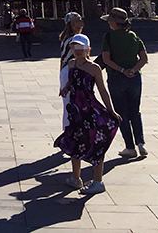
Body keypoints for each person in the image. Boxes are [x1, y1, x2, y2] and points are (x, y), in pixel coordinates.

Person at [55, 34, 121, 194]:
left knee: (96, 144)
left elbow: (102, 90)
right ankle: (75, 178)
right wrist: (66, 88)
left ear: (88, 50)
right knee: (74, 142)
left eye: (81, 48)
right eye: (74, 47)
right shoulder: (71, 64)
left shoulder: (94, 68)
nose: (77, 51)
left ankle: (98, 181)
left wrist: (111, 110)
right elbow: (72, 81)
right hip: (75, 111)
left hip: (90, 110)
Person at [101, 7, 149, 159]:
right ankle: (141, 143)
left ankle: (130, 147)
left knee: (121, 113)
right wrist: (133, 70)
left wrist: (122, 70)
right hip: (135, 78)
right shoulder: (134, 36)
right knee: (135, 111)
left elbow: (106, 59)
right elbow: (144, 59)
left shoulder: (109, 37)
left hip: (117, 78)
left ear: (114, 23)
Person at [59, 12, 84, 128]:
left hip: (65, 70)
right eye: (75, 22)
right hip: (73, 70)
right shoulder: (75, 39)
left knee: (68, 102)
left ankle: (67, 126)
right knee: (74, 101)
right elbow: (82, 57)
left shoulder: (65, 38)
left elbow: (62, 58)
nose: (79, 25)